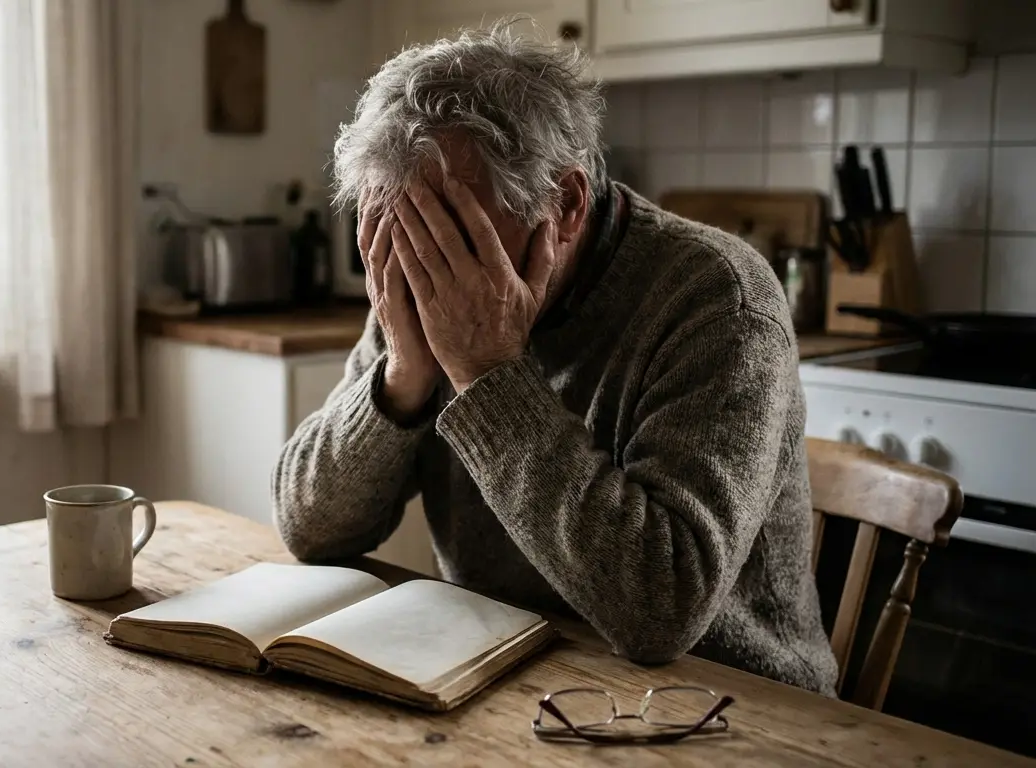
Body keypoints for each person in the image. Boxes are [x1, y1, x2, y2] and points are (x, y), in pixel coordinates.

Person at [270, 23, 839, 695]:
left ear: (564, 203)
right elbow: (308, 527)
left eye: (451, 234)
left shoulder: (719, 302)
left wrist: (488, 375)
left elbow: (661, 609)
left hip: (729, 709)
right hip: (509, 674)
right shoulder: (422, 280)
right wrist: (402, 376)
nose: (423, 266)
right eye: (397, 229)